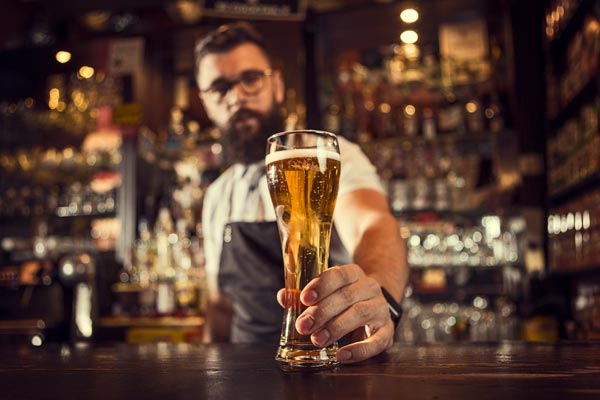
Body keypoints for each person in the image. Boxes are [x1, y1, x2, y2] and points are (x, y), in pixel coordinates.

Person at [195, 21, 408, 364]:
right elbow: (220, 308)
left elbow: (375, 224)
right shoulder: (217, 194)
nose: (237, 96)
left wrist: (379, 296)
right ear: (205, 102)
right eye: (219, 88)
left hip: (327, 363)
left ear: (277, 84)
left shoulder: (331, 158)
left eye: (250, 79)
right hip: (240, 375)